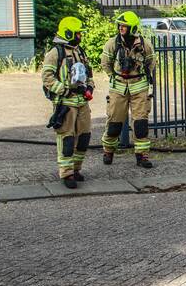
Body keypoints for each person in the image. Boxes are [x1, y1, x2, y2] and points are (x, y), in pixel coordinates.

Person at [41, 16, 94, 189]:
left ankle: (77, 169)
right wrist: (65, 90)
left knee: (84, 136)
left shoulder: (80, 51)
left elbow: (89, 74)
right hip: (66, 103)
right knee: (67, 139)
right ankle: (67, 173)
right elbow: (47, 78)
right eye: (78, 33)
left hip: (82, 102)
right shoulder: (56, 53)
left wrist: (90, 88)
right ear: (69, 33)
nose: (80, 36)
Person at [101, 11, 157, 168]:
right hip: (118, 88)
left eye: (124, 26)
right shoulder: (112, 43)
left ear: (132, 28)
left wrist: (140, 76)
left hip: (139, 88)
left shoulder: (145, 45)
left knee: (140, 124)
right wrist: (115, 76)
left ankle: (142, 156)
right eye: (120, 26)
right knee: (114, 123)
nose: (120, 28)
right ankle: (108, 150)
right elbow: (105, 63)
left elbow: (151, 63)